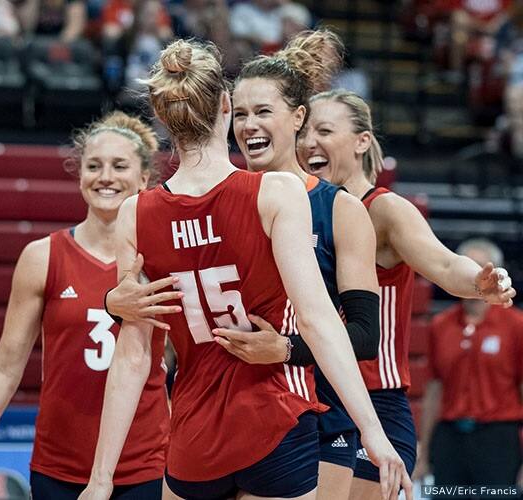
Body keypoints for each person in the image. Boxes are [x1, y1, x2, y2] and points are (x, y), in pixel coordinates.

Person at [80, 39, 411, 500]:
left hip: (192, 437)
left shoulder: (136, 212)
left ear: (161, 114)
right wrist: (374, 435)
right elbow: (317, 321)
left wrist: (101, 478)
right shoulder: (275, 192)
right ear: (224, 106)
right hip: (269, 427)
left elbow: (135, 355)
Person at [297, 89, 515, 500]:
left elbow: (446, 264)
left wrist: (479, 283)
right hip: (308, 399)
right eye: (304, 132)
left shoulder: (384, 209)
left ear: (362, 141)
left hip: (374, 400)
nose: (310, 142)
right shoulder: (295, 208)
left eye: (324, 130)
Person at [0, 111, 171, 500]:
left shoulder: (163, 258)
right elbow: (5, 364)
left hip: (143, 462)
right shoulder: (43, 256)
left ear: (144, 178)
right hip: (59, 463)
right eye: (94, 166)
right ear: (79, 173)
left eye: (120, 166)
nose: (106, 177)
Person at [203, 30, 381, 500]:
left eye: (263, 112)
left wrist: (283, 349)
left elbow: (365, 336)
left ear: (298, 117)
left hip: (319, 412)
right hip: (221, 408)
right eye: (239, 114)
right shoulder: (214, 200)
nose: (248, 125)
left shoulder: (340, 210)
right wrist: (118, 301)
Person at [415, 239, 523, 497]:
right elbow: (434, 389)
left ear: (498, 275)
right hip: (450, 438)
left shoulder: (516, 325)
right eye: (470, 268)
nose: (478, 277)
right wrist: (424, 450)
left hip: (497, 438)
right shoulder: (440, 325)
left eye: (484, 269)